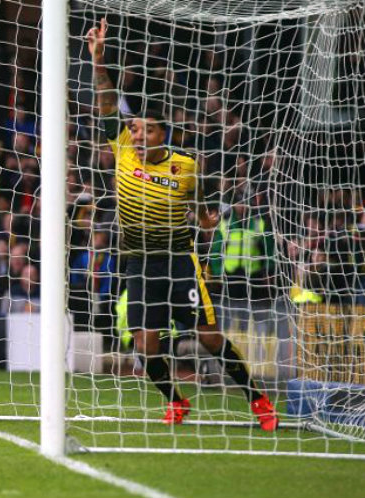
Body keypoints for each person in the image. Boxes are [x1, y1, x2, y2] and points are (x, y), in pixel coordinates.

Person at [87, 20, 278, 430]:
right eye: (135, 127)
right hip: (139, 263)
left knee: (209, 338)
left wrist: (207, 251)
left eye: (147, 129)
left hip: (179, 262)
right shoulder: (123, 151)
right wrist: (98, 60)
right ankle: (176, 401)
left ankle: (258, 399)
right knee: (145, 346)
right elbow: (105, 102)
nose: (138, 134)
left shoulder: (186, 168)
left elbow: (204, 213)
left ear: (163, 135)